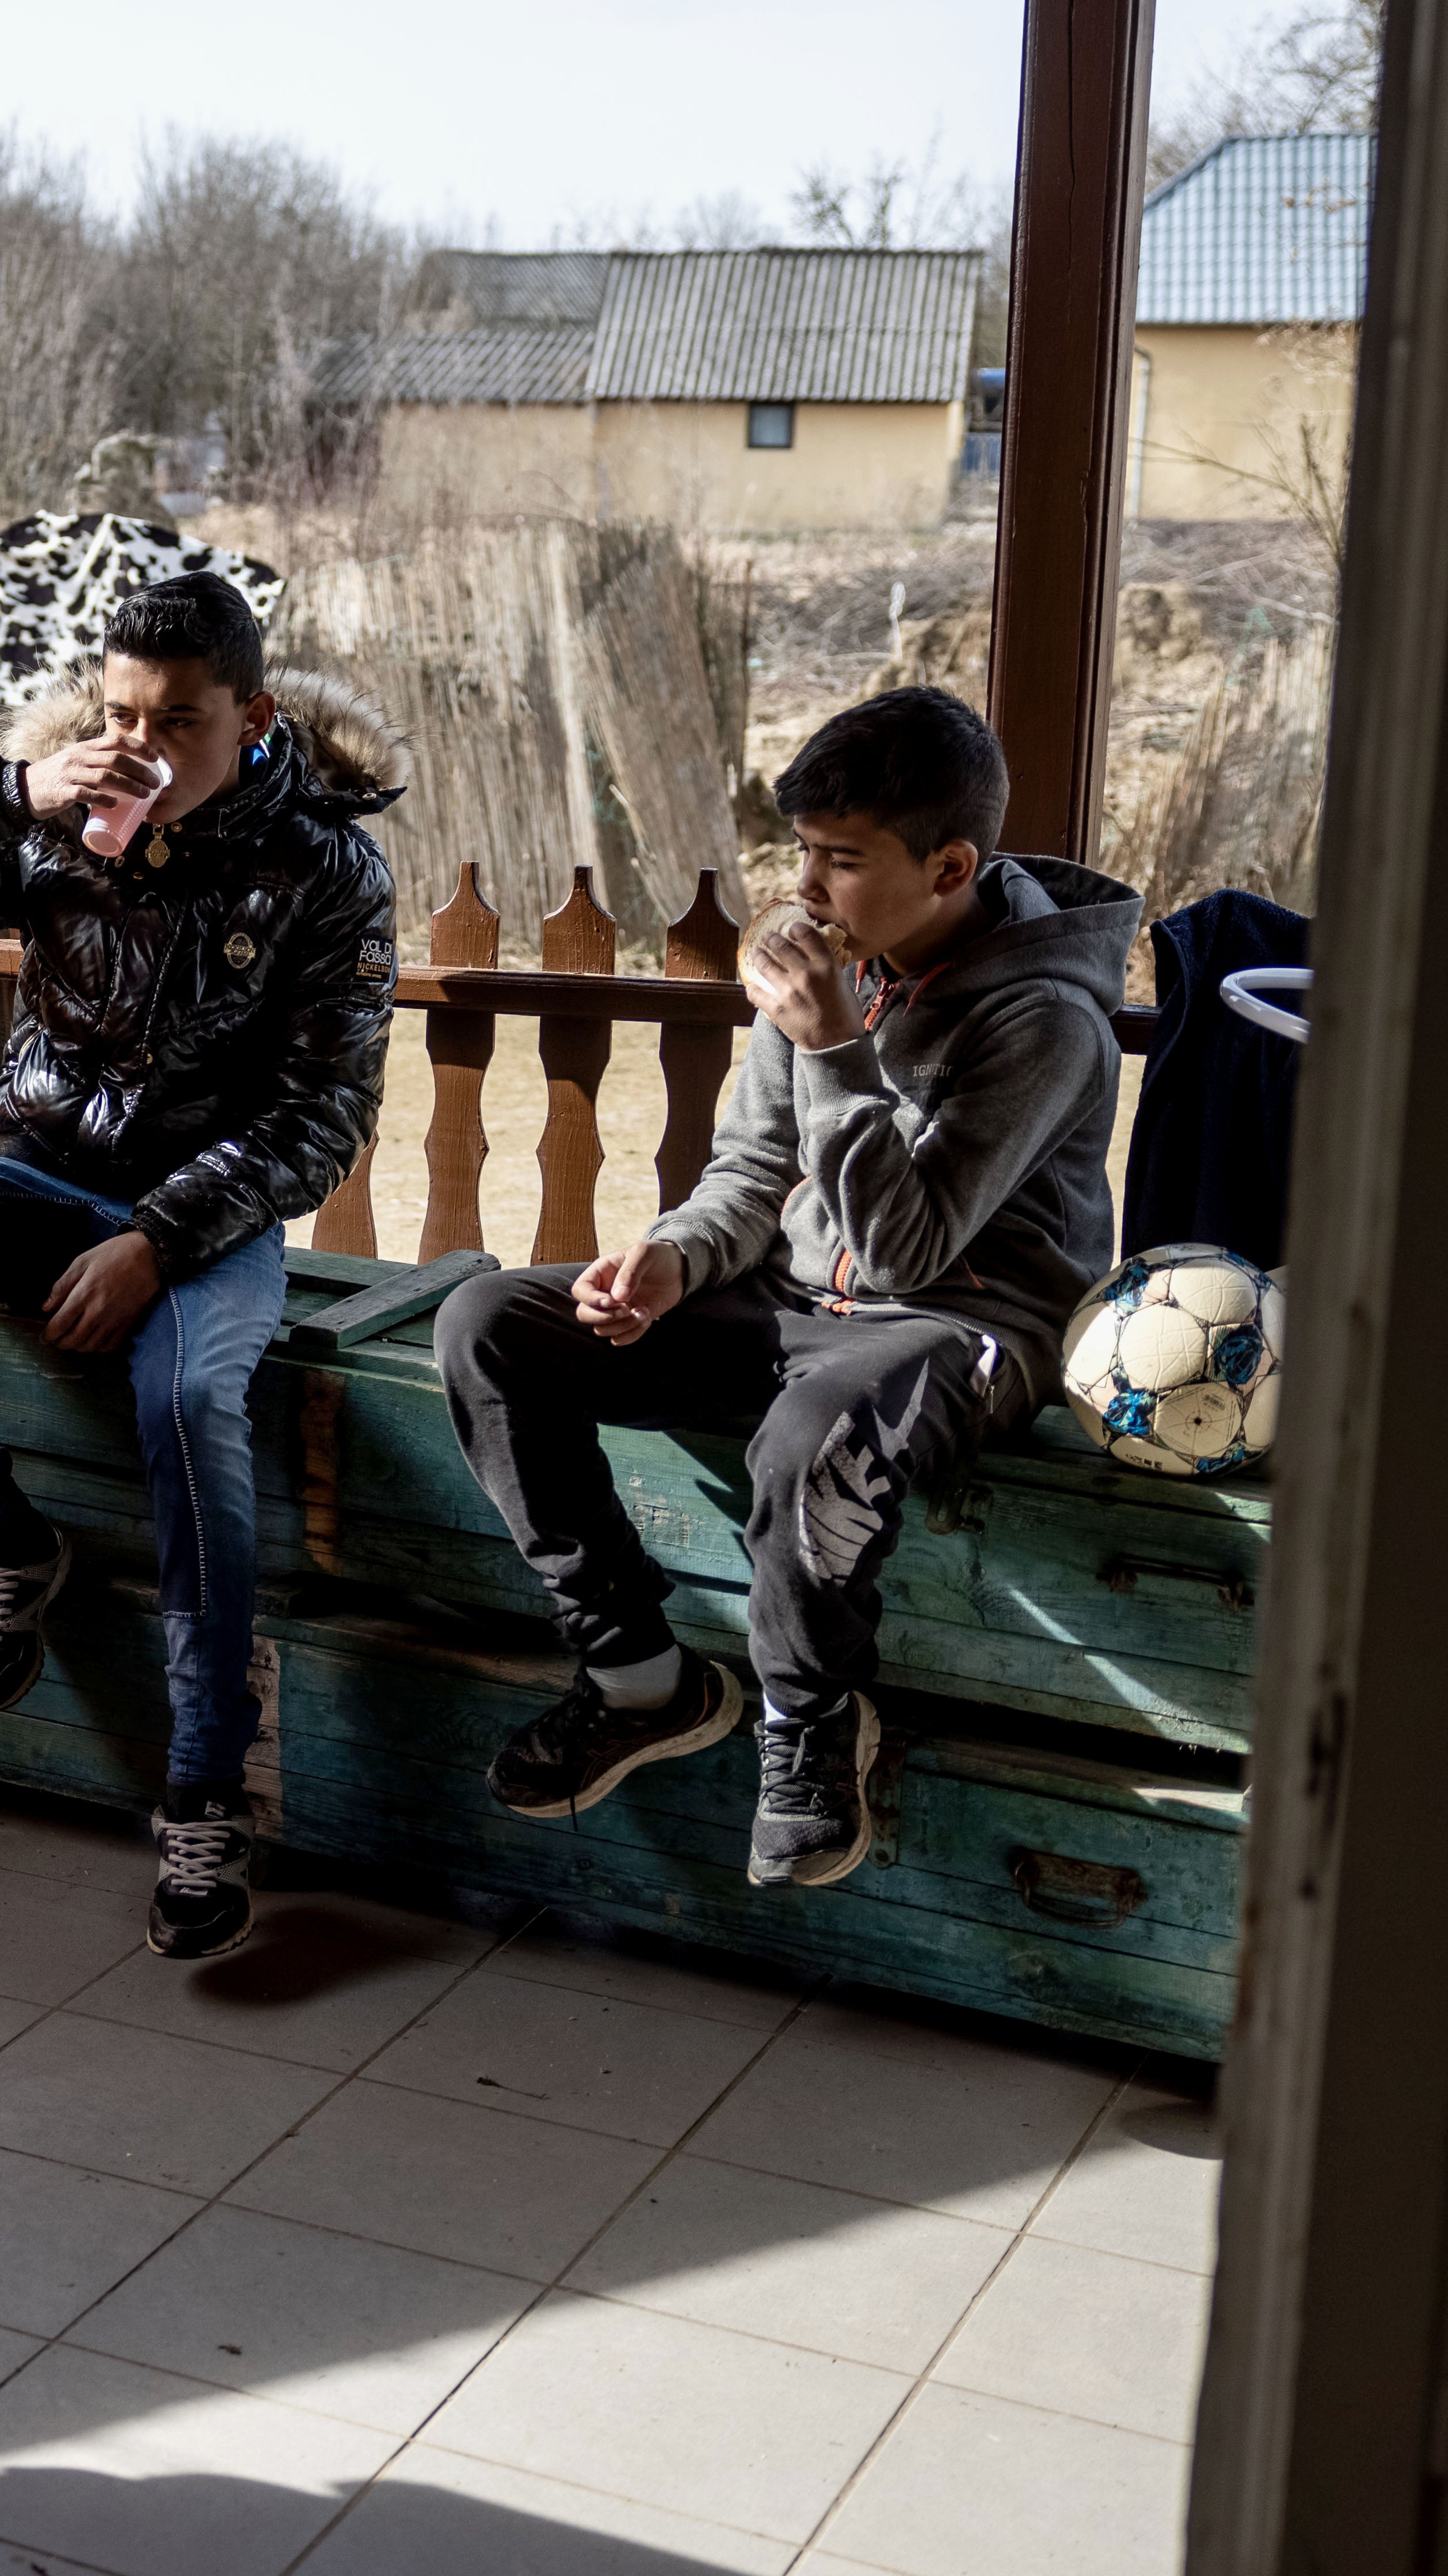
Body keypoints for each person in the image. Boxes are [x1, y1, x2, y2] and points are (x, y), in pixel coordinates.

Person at [431, 686, 1136, 1887]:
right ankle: (639, 1678)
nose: (807, 889)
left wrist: (829, 1048)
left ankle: (810, 1725)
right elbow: (751, 1175)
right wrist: (669, 1259)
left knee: (814, 1430)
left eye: (843, 861)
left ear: (951, 863)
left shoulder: (1046, 1018)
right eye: (802, 854)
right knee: (488, 1321)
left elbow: (910, 1251)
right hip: (795, 1305)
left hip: (957, 1329)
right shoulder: (837, 968)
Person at [0, 573, 402, 1960]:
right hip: (43, 1176)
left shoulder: (326, 866)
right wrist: (8, 794)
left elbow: (324, 1115)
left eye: (178, 721)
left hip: (207, 1218)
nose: (141, 747)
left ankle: (202, 1791)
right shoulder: (57, 818)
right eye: (121, 712)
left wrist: (159, 1238)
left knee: (188, 1410)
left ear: (250, 717)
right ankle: (5, 1541)